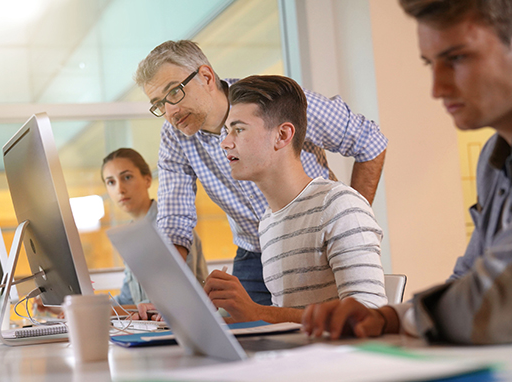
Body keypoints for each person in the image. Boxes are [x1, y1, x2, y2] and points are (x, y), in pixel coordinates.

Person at [303, 0, 512, 344]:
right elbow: (469, 277)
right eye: (430, 64)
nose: (437, 89)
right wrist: (386, 317)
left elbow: (493, 299)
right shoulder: (494, 157)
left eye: (457, 58)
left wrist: (396, 318)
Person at [135, 40, 388, 305]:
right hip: (254, 248)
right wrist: (164, 295)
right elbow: (175, 220)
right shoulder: (176, 136)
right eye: (159, 104)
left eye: (174, 92)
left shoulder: (272, 103)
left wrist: (348, 220)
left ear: (206, 77)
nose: (170, 111)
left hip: (313, 240)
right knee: (250, 337)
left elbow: (369, 142)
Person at [202, 75, 387, 324]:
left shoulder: (340, 207)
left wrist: (257, 312)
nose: (224, 143)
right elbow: (283, 321)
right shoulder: (268, 223)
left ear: (282, 135)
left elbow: (367, 319)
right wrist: (203, 320)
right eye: (226, 131)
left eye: (239, 129)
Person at [102, 148, 208, 319]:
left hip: (188, 324)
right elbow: (128, 300)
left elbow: (183, 297)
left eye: (127, 177)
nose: (120, 189)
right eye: (111, 182)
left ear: (147, 180)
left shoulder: (174, 224)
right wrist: (75, 309)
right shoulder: (129, 236)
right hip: (150, 328)